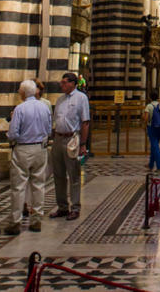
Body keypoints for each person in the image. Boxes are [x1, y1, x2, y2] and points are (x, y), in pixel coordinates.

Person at [5, 79, 52, 235]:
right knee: (38, 185)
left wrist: (11, 138)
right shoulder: (45, 108)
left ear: (23, 92)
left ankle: (15, 222)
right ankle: (37, 221)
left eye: (19, 90)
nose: (19, 93)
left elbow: (13, 133)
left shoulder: (20, 109)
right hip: (40, 148)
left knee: (18, 187)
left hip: (23, 149)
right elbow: (48, 130)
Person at [50, 72, 90, 220]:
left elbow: (85, 122)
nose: (62, 85)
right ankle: (62, 207)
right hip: (58, 139)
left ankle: (75, 207)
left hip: (72, 139)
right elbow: (56, 120)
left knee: (73, 175)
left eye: (64, 82)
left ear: (73, 83)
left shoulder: (81, 98)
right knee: (58, 175)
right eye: (61, 82)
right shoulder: (60, 99)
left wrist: (83, 144)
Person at [144, 89, 160, 173]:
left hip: (152, 128)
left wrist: (143, 126)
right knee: (154, 145)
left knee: (155, 146)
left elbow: (145, 118)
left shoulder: (149, 106)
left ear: (150, 97)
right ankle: (151, 164)